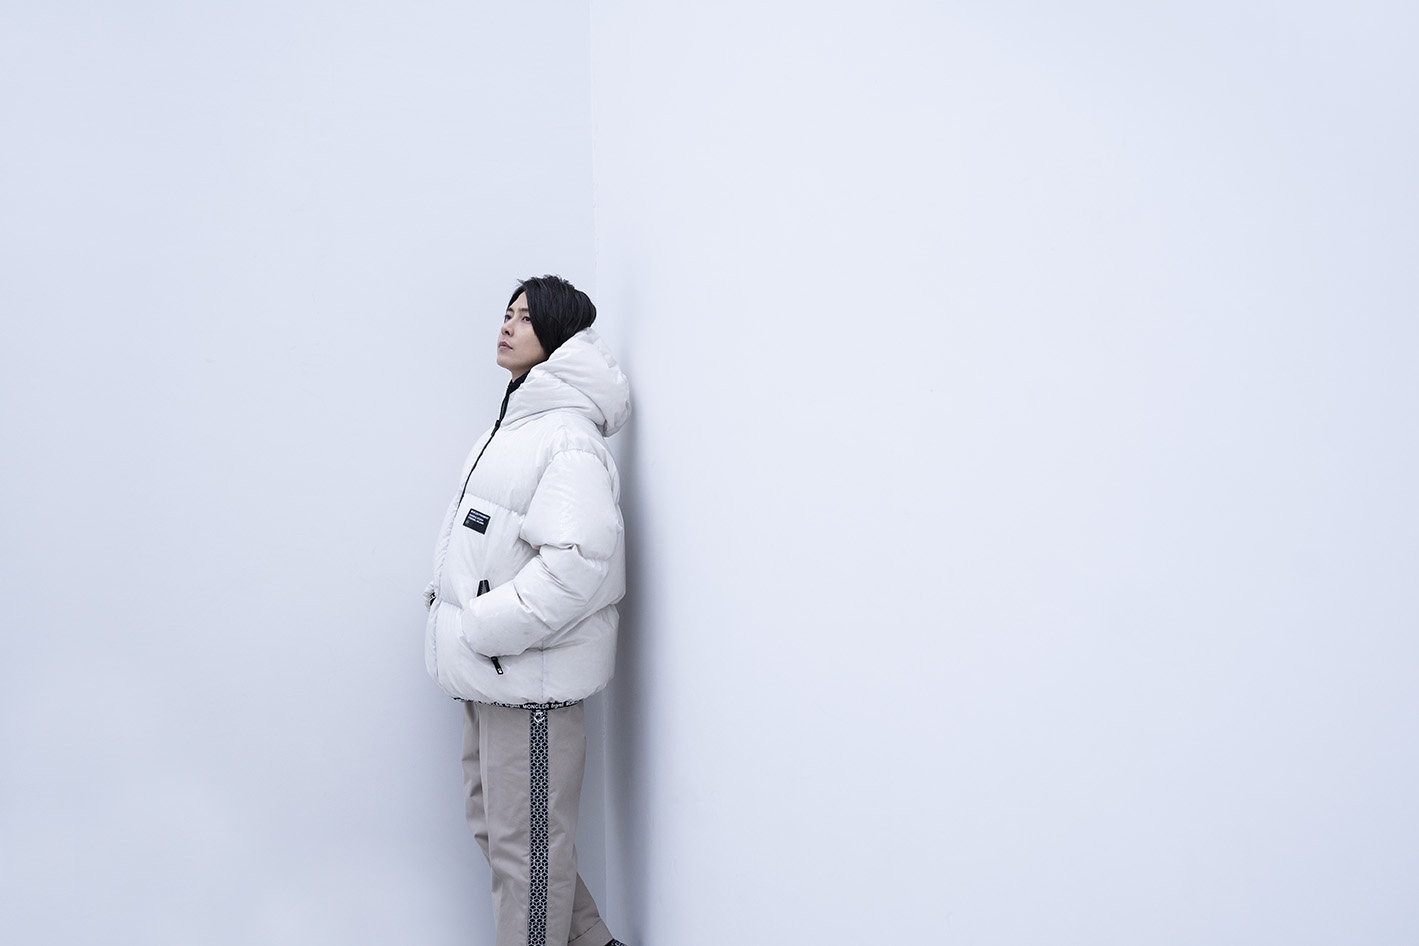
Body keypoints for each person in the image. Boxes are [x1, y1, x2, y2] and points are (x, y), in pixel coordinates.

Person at [423, 275, 630, 946]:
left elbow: (576, 566)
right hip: (493, 675)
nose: (507, 326)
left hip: (527, 679)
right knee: (501, 834)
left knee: (529, 860)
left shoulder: (566, 438)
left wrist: (485, 626)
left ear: (558, 337)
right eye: (507, 313)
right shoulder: (519, 424)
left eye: (526, 318)